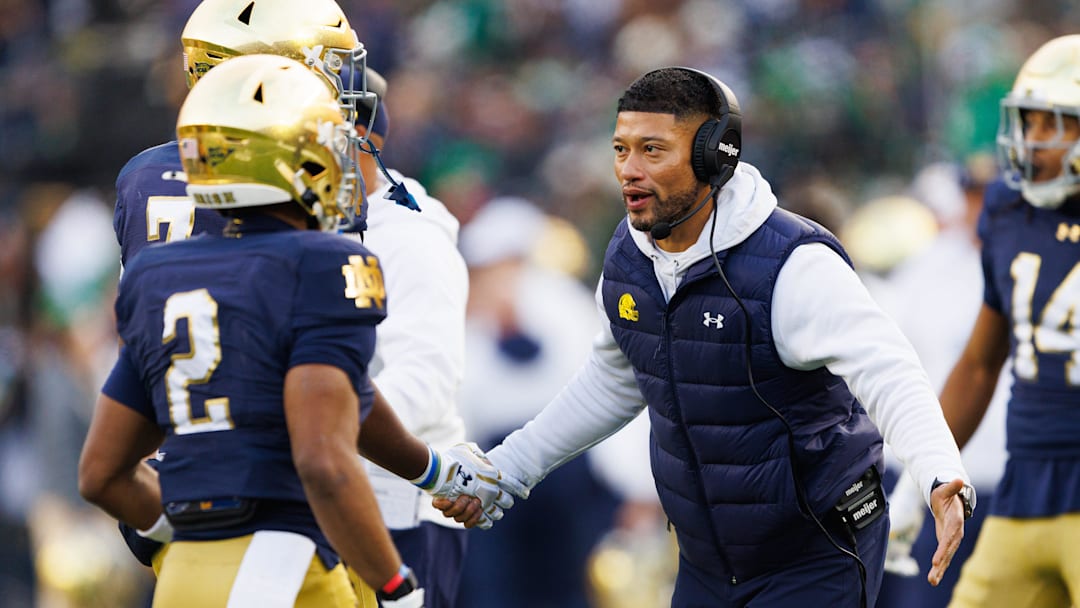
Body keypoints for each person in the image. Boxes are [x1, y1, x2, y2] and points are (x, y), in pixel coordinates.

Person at [440, 66, 975, 607]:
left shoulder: (794, 265)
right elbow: (614, 381)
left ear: (714, 156)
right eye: (621, 149)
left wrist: (938, 470)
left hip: (813, 551)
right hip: (706, 560)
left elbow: (888, 370)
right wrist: (509, 468)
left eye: (653, 150)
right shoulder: (630, 256)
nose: (629, 169)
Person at [78, 54, 504, 608]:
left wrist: (174, 532)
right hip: (289, 564)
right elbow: (323, 461)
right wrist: (395, 584)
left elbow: (100, 474)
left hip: (185, 574)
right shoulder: (326, 263)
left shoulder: (156, 274)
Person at [922, 34, 1080, 608]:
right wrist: (930, 467)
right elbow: (981, 361)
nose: (1033, 141)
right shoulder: (1010, 208)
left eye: (1054, 124)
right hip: (1024, 489)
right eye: (1029, 122)